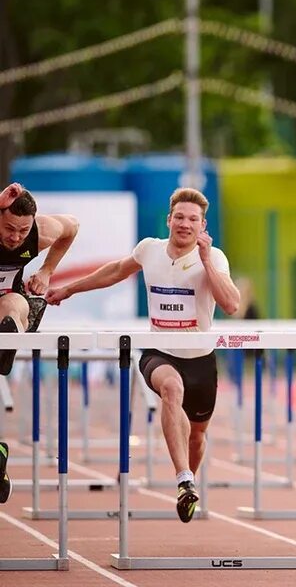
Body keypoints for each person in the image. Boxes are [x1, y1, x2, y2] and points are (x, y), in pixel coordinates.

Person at [46, 188, 240, 523]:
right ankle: (183, 477)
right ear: (169, 220)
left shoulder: (215, 257)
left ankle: (187, 487)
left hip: (201, 360)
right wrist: (68, 289)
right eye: (179, 217)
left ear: (202, 225)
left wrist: (207, 260)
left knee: (197, 436)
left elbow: (232, 304)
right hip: (159, 352)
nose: (184, 224)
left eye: (192, 219)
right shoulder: (149, 249)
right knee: (171, 390)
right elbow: (115, 271)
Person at [0, 183, 80, 374]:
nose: (16, 237)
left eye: (23, 230)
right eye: (9, 228)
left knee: (14, 306)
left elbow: (73, 226)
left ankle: (7, 345)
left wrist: (47, 270)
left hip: (8, 300)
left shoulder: (40, 232)